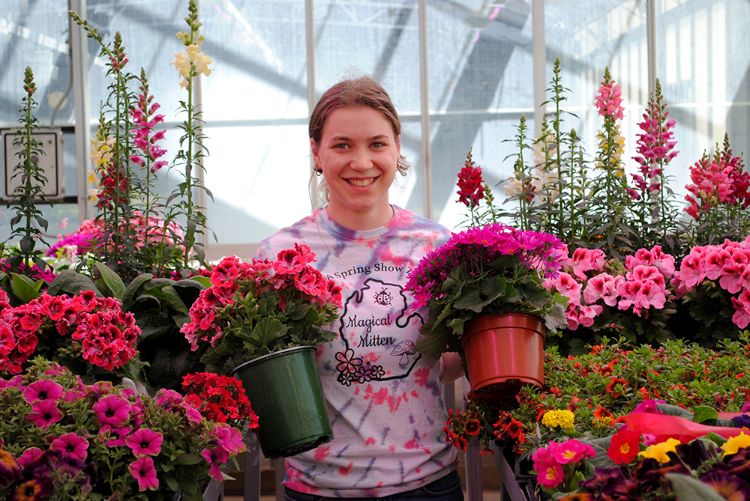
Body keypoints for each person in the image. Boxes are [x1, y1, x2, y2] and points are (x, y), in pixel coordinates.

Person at [257, 76, 464, 500]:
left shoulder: (436, 246)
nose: (362, 162)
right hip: (319, 485)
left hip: (425, 483)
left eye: (376, 144)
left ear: (396, 148)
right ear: (316, 152)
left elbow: (454, 357)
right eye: (342, 145)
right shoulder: (281, 254)